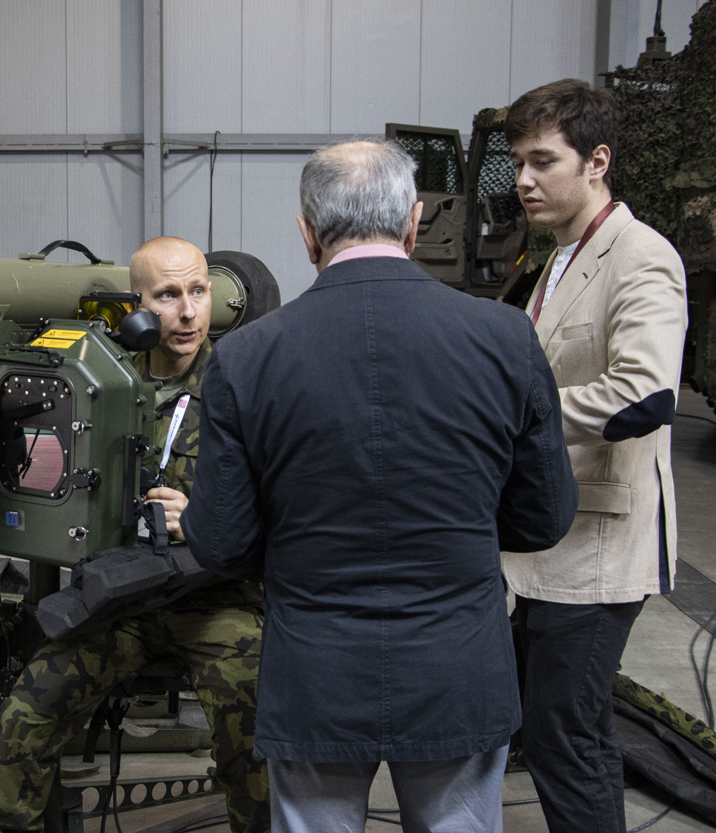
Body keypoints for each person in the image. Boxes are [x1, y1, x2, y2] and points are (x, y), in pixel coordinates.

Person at [180, 139, 578, 833]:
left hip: (316, 671)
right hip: (457, 664)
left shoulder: (243, 357)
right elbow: (543, 518)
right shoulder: (504, 337)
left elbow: (223, 543)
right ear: (414, 223)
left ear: (307, 232)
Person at [0, 236, 269, 833]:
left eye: (199, 292)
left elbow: (291, 506)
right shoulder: (99, 384)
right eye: (168, 296)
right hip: (119, 597)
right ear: (136, 304)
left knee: (256, 737)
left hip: (215, 599)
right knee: (22, 719)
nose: (188, 313)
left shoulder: (247, 384)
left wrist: (207, 516)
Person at [502, 79, 689, 833]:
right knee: (555, 727)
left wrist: (514, 419)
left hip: (599, 548)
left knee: (565, 737)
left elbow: (644, 396)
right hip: (551, 538)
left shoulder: (641, 256)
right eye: (518, 162)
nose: (524, 179)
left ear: (597, 161)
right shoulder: (556, 258)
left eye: (543, 161)